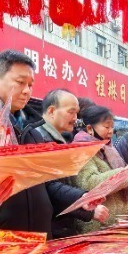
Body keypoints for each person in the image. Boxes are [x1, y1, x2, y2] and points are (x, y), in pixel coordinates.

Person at [0, 50, 101, 237]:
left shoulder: (31, 132)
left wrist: (80, 198)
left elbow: (45, 184)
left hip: (38, 240)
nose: (27, 90)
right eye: (20, 82)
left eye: (30, 85)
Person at [25, 89, 109, 238]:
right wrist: (84, 202)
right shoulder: (37, 141)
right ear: (51, 111)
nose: (76, 118)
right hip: (50, 230)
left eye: (77, 113)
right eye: (71, 112)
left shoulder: (62, 140)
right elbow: (49, 188)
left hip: (62, 226)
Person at [74, 101, 128, 232]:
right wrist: (124, 173)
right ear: (90, 128)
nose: (110, 131)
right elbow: (88, 184)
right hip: (99, 226)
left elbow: (126, 188)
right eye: (106, 127)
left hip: (120, 222)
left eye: (112, 127)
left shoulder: (110, 149)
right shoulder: (82, 150)